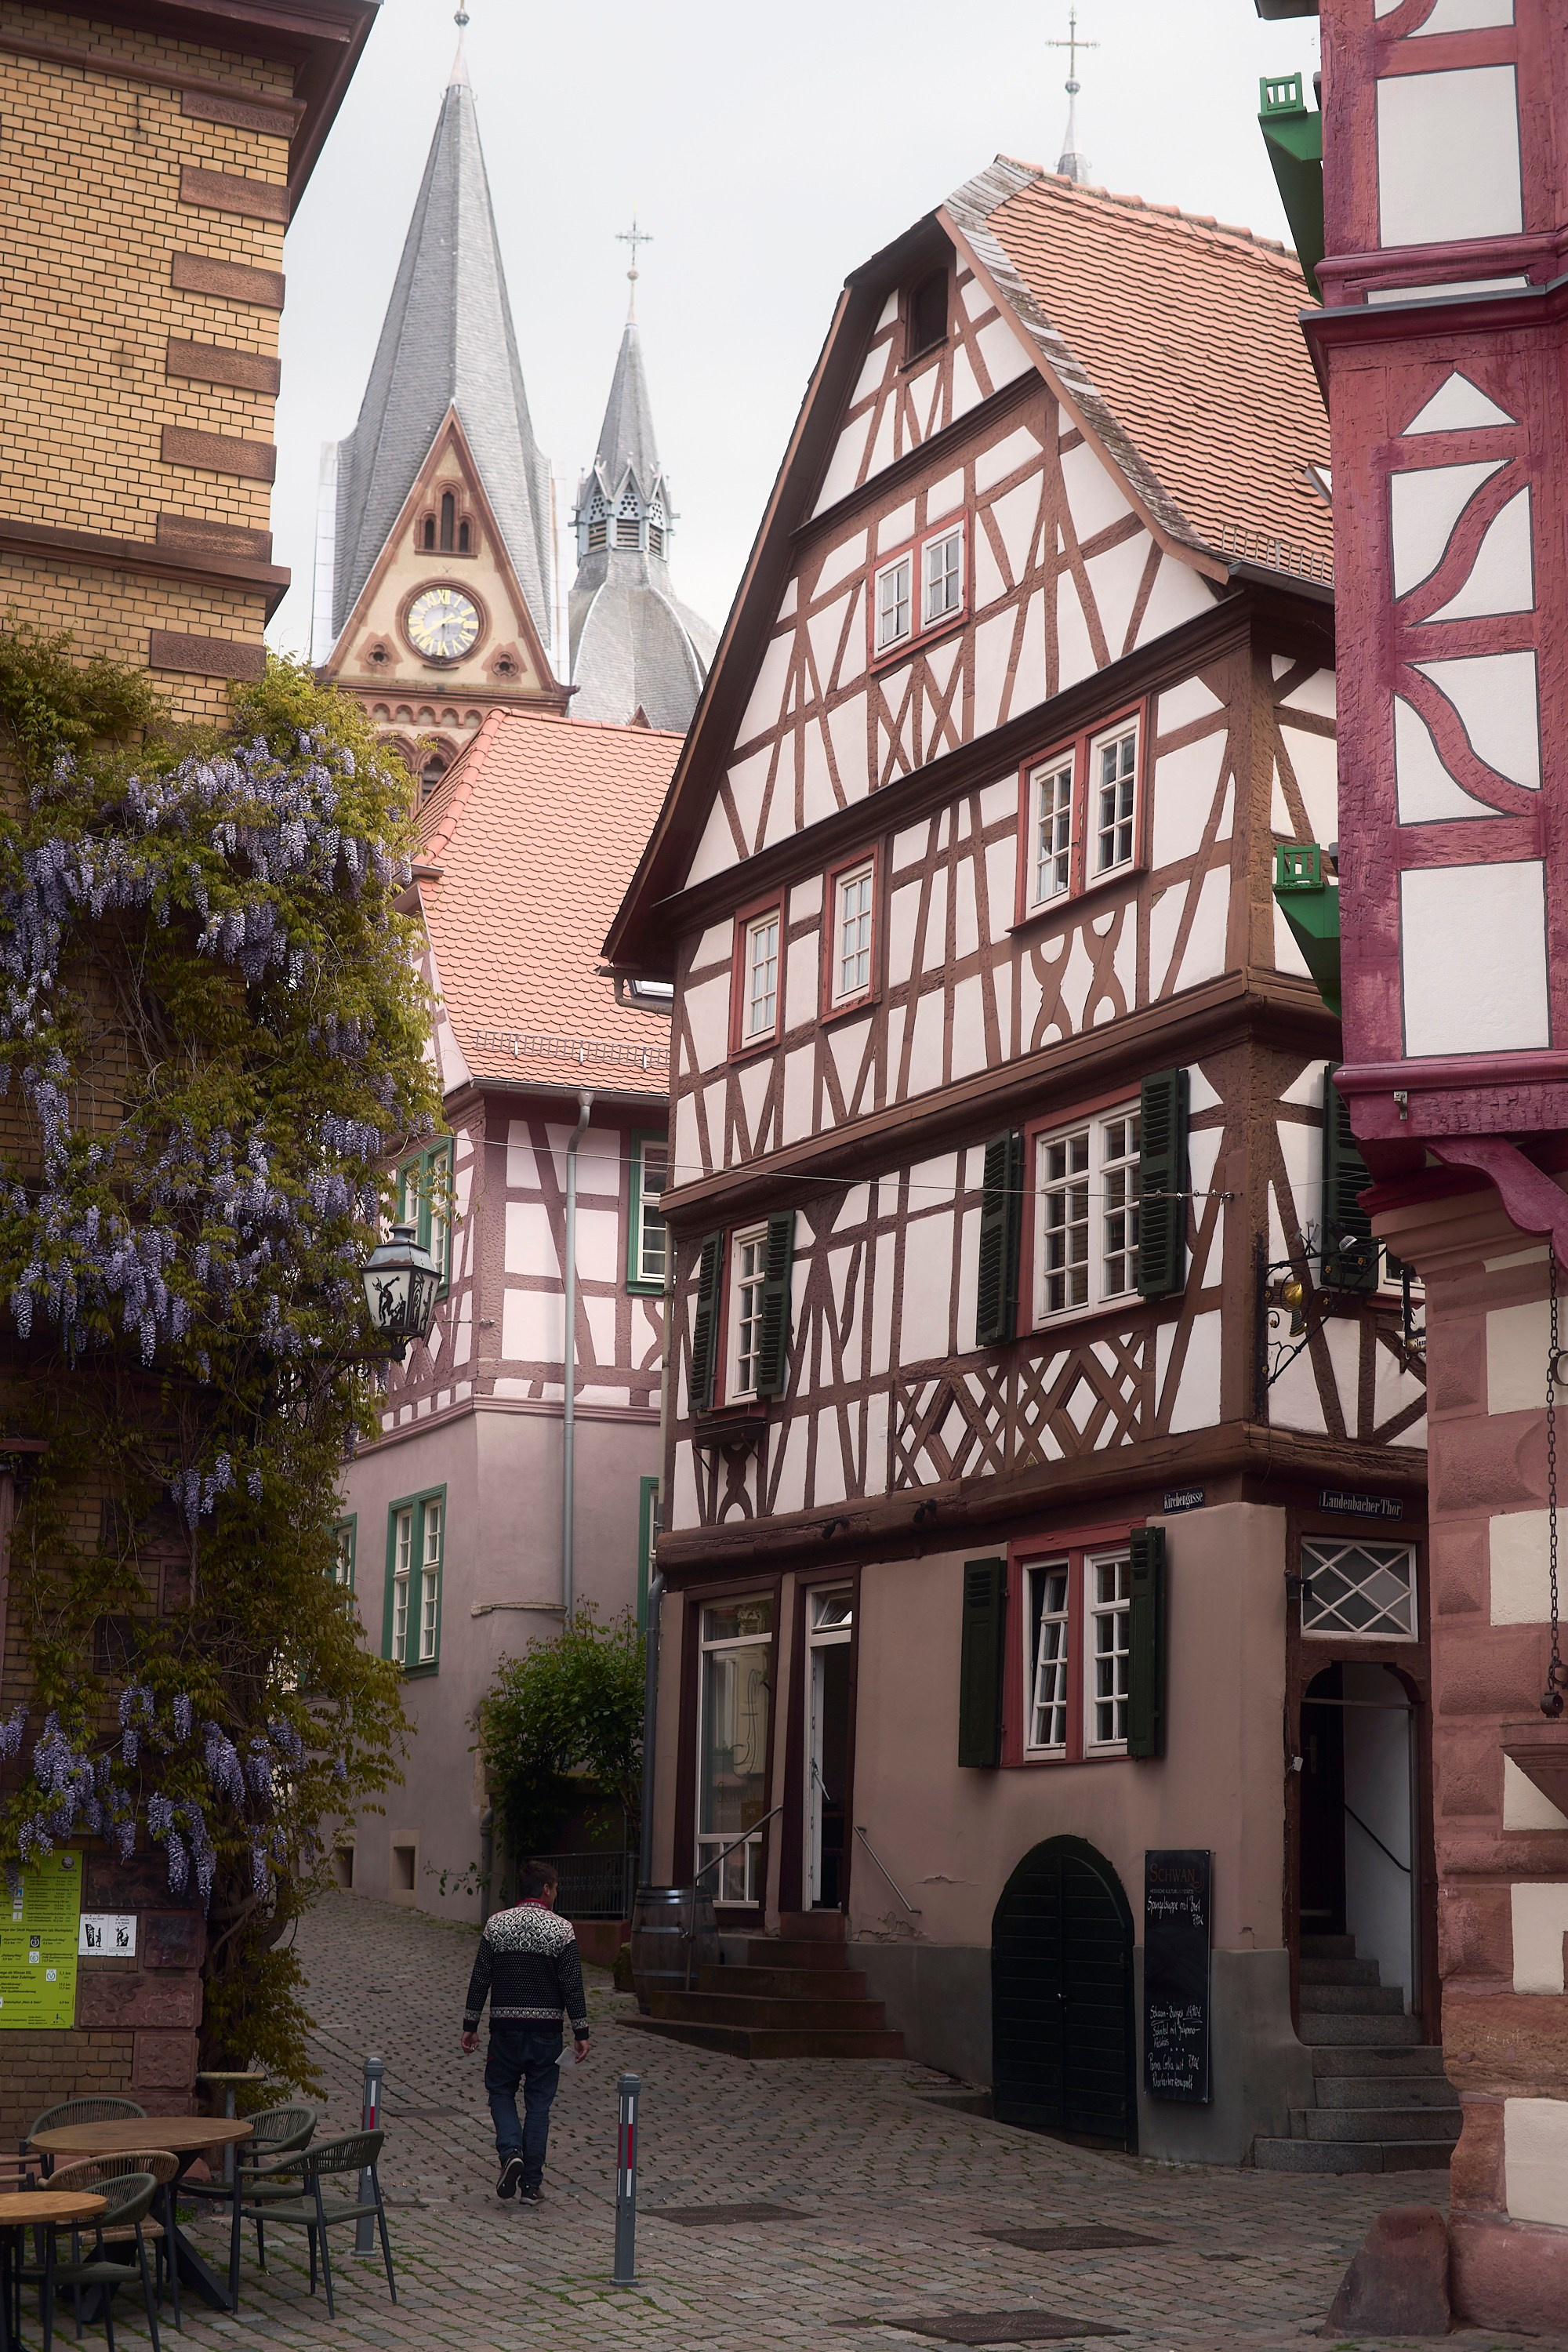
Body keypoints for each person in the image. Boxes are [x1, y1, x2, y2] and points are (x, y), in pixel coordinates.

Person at [461, 1858, 590, 2204]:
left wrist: (470, 2026)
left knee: (500, 2091)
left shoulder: (496, 1926)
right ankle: (531, 2186)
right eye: (556, 1888)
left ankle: (510, 2153)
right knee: (538, 2107)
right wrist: (581, 2030)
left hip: (505, 2029)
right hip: (547, 2033)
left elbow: (480, 1978)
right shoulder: (561, 1930)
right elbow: (572, 1985)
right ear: (546, 1890)